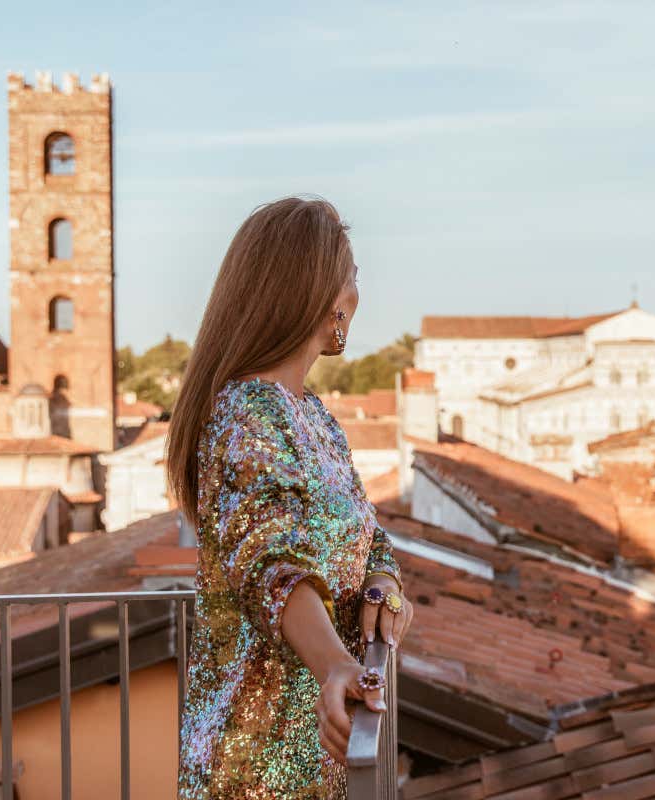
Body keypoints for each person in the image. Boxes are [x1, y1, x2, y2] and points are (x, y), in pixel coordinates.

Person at [166, 196, 413, 798]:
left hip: (315, 744)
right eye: (354, 276)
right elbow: (270, 560)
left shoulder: (315, 418)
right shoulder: (245, 412)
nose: (359, 294)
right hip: (257, 760)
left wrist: (382, 583)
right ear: (324, 296)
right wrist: (335, 663)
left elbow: (366, 531)